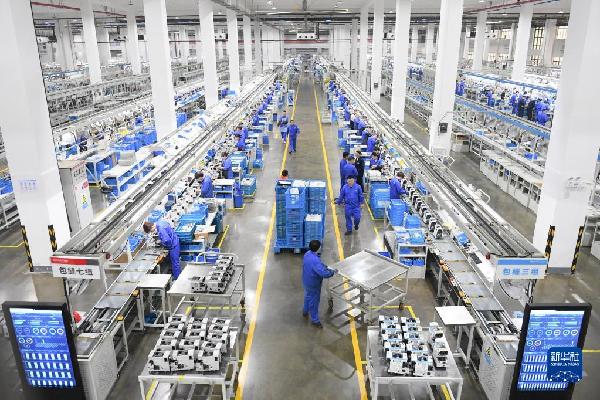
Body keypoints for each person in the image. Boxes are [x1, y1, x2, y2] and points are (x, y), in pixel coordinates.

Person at [302, 240, 336, 328]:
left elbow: (318, 265)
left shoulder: (307, 254)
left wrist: (324, 266)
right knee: (314, 301)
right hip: (314, 283)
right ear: (318, 248)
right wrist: (332, 272)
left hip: (306, 280)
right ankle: (315, 320)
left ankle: (305, 311)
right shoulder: (315, 261)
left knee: (308, 296)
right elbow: (324, 274)